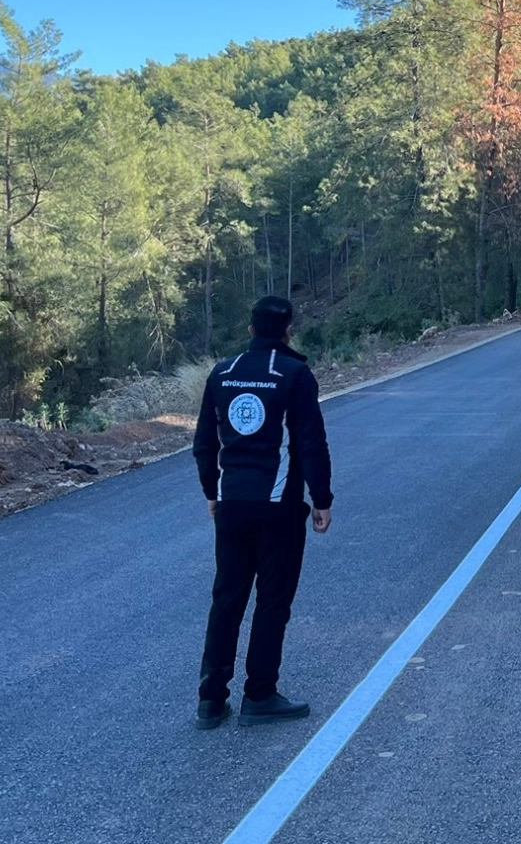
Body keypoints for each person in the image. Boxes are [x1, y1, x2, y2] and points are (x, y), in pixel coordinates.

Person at [192, 296, 333, 730]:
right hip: (278, 506)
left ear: (250, 329)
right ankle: (260, 694)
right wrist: (322, 499)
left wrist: (212, 492)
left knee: (226, 599)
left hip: (231, 504)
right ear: (289, 330)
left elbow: (204, 443)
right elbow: (310, 443)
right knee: (272, 600)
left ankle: (211, 701)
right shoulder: (294, 374)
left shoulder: (222, 373)